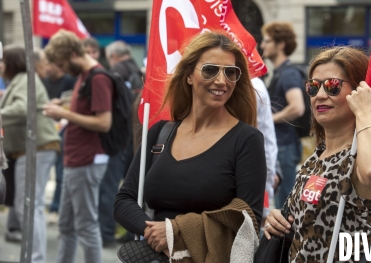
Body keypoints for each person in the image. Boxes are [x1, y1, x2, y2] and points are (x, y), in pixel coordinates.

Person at [114, 31, 266, 256]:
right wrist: (155, 233)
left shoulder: (247, 140)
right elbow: (124, 200)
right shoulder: (160, 133)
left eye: (230, 72)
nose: (221, 81)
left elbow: (248, 220)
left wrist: (175, 232)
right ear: (188, 76)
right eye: (210, 70)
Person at [263, 46, 371, 262]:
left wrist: (365, 112)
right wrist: (278, 218)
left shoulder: (360, 157)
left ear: (359, 93)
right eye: (313, 87)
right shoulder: (315, 158)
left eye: (333, 86)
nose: (320, 95)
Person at [42, 30, 114, 263]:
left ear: (73, 53)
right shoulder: (85, 76)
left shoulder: (97, 78)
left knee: (85, 226)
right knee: (67, 225)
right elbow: (85, 109)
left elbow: (104, 122)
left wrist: (63, 113)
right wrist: (63, 105)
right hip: (76, 160)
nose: (63, 70)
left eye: (63, 63)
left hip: (86, 160)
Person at [1, 45, 61, 263]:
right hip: (31, 149)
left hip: (36, 148)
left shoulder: (26, 78)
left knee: (29, 205)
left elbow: (21, 108)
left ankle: (35, 259)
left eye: (2, 61)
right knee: (26, 204)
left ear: (11, 63)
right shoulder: (22, 80)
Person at [100, 40, 142, 247]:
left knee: (113, 187)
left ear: (113, 57)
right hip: (138, 138)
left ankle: (107, 232)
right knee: (135, 188)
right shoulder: (141, 70)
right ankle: (130, 231)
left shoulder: (115, 72)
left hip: (118, 139)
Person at [260, 22, 305, 208]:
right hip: (283, 145)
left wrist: (267, 120)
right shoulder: (280, 73)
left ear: (281, 45)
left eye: (267, 41)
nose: (262, 45)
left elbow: (297, 107)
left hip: (285, 146)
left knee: (285, 204)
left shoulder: (288, 74)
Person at [42, 61, 76, 222]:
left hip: (63, 129)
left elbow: (71, 103)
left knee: (61, 172)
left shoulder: (69, 80)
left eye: (49, 64)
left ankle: (57, 207)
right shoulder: (44, 80)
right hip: (47, 129)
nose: (47, 67)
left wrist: (61, 108)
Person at [252, 76, 278, 222]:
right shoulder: (255, 85)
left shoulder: (254, 88)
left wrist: (265, 207)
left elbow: (265, 140)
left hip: (258, 178)